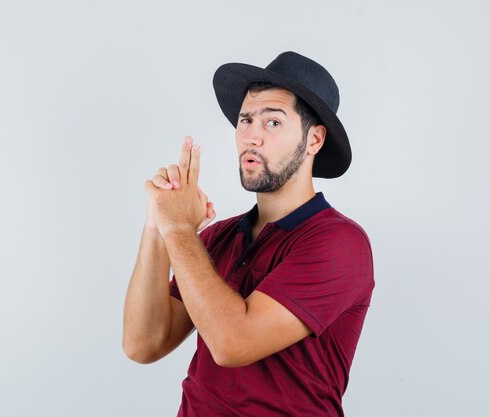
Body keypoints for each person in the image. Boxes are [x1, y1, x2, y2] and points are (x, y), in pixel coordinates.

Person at [122, 51, 375, 417]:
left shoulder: (339, 242)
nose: (251, 136)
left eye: (273, 123)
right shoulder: (216, 239)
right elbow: (142, 344)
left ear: (314, 140)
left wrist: (179, 227)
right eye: (246, 120)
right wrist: (158, 224)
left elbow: (232, 343)